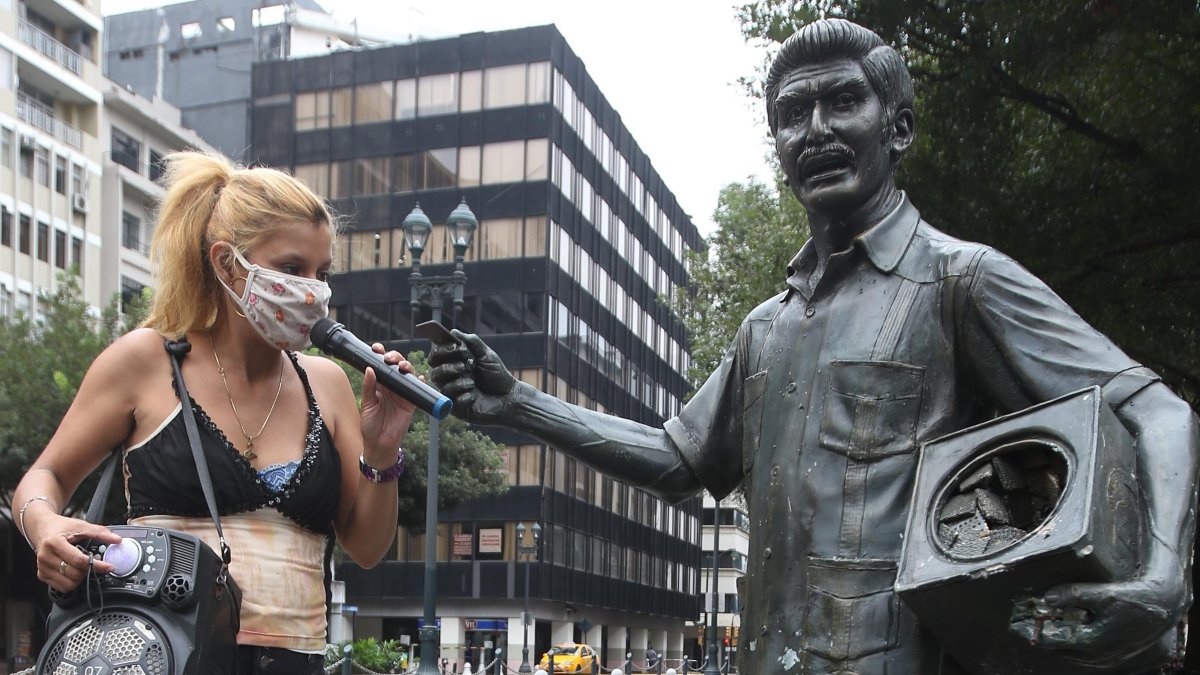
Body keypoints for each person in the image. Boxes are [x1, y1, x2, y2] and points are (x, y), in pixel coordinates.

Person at [428, 18, 1200, 675]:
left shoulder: (962, 281)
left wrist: (1163, 578)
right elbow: (677, 457)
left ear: (897, 127)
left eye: (843, 101)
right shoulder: (766, 325)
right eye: (794, 112)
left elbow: (1158, 412)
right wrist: (518, 403)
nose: (817, 129)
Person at [11, 151, 418, 675]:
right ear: (227, 263)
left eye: (322, 272)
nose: (313, 290)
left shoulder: (328, 384)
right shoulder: (145, 361)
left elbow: (365, 547)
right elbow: (45, 475)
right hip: (157, 655)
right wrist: (44, 523)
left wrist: (382, 451)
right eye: (292, 269)